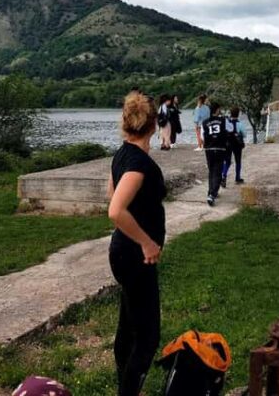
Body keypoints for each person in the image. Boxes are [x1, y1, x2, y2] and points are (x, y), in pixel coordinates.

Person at [107, 92, 166, 396]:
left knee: (128, 327)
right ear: (154, 125)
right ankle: (128, 391)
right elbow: (115, 210)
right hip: (134, 255)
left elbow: (112, 193)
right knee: (148, 336)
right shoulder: (138, 163)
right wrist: (147, 243)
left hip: (123, 252)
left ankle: (125, 386)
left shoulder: (121, 155)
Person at [202, 102, 228, 206]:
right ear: (217, 110)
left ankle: (211, 191)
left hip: (209, 149)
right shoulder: (223, 120)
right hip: (220, 148)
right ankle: (212, 195)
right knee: (218, 172)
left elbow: (203, 137)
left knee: (211, 171)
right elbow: (229, 131)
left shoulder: (204, 122)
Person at [222, 106, 246, 187]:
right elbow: (244, 134)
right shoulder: (240, 124)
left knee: (227, 161)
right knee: (238, 161)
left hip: (228, 144)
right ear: (238, 114)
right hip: (237, 145)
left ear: (230, 113)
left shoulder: (227, 123)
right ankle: (237, 177)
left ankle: (224, 175)